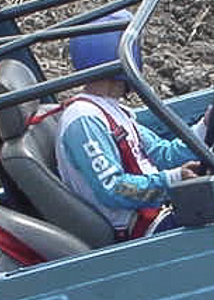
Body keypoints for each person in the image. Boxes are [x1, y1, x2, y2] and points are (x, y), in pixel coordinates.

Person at [56, 16, 202, 240]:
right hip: (142, 230)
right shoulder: (83, 121)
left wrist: (206, 128)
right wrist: (172, 180)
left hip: (159, 211)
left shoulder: (112, 111)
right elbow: (114, 189)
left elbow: (163, 154)